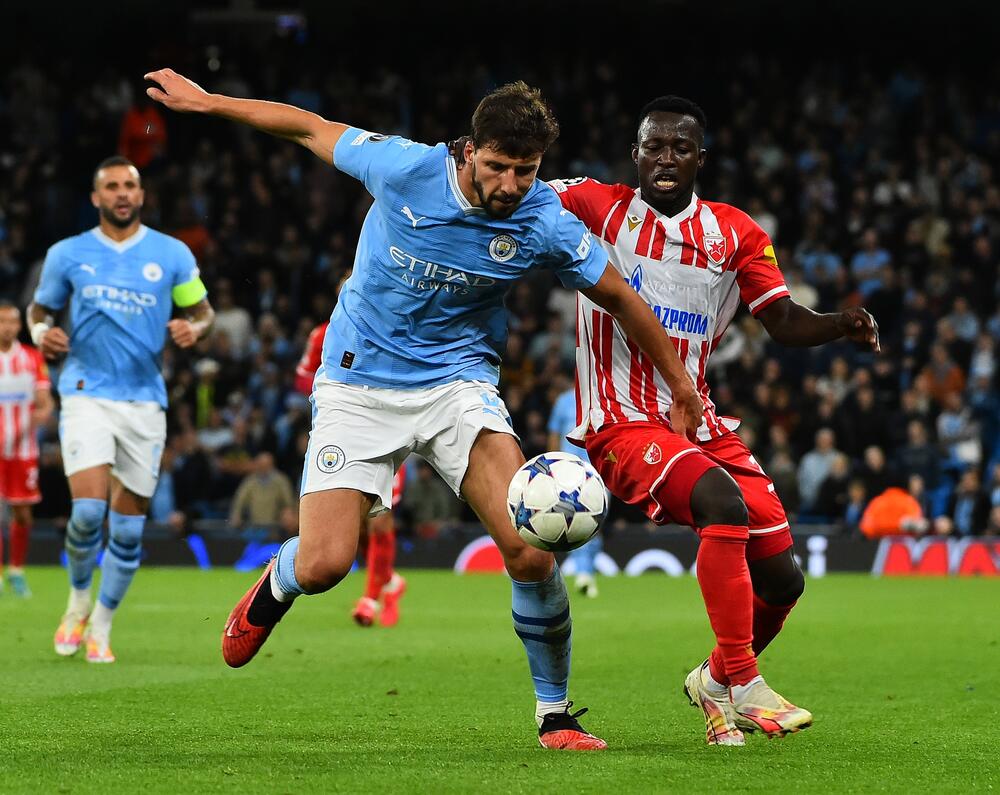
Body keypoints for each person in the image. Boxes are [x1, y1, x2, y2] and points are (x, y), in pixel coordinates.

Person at [145, 68, 702, 750]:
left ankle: (554, 714)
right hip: (358, 381)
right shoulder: (405, 167)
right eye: (498, 167)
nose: (510, 185)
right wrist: (210, 102)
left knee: (530, 550)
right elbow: (308, 127)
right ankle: (277, 583)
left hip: (455, 386)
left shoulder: (544, 221)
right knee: (324, 565)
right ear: (469, 151)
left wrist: (680, 384)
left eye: (525, 171)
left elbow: (619, 295)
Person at [551, 95, 879, 745]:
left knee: (783, 579)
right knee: (720, 502)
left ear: (701, 158)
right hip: (620, 423)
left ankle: (714, 677)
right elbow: (515, 184)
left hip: (697, 421)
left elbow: (781, 319)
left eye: (680, 147)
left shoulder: (736, 233)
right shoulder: (595, 205)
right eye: (653, 146)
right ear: (635, 154)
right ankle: (747, 684)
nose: (665, 158)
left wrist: (836, 324)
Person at [29, 156, 215, 663]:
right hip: (86, 392)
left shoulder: (170, 254)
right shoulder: (68, 254)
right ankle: (77, 601)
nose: (122, 193)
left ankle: (102, 626)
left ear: (141, 194)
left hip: (144, 401)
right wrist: (42, 333)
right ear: (96, 197)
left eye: (129, 185)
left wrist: (194, 329)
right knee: (88, 513)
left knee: (129, 531)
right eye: (111, 186)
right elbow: (40, 310)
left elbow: (202, 312)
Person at [295, 315, 408, 628]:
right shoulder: (323, 334)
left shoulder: (389, 327)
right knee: (355, 526)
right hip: (344, 432)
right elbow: (302, 377)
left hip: (388, 433)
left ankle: (370, 600)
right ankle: (390, 581)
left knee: (380, 521)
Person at [0, 302, 54, 597]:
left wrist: (35, 418)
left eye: (12, 322)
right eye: (2, 322)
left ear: (20, 326)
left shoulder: (32, 358)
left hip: (23, 449)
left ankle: (17, 570)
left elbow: (45, 403)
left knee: (22, 512)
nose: (7, 328)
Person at [547, 381, 602, 598]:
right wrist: (552, 467)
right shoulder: (564, 401)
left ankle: (585, 571)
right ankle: (583, 572)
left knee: (592, 523)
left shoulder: (601, 398)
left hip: (596, 472)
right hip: (566, 472)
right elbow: (554, 434)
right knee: (570, 520)